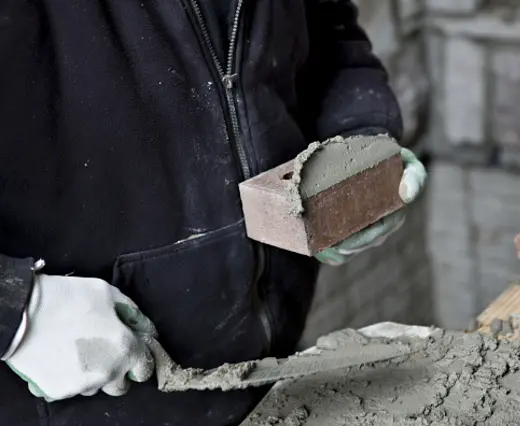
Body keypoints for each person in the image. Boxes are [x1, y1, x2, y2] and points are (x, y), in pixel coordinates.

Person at [0, 1, 427, 425]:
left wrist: (357, 140)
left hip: (265, 363)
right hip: (85, 396)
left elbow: (329, 33)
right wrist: (19, 312)